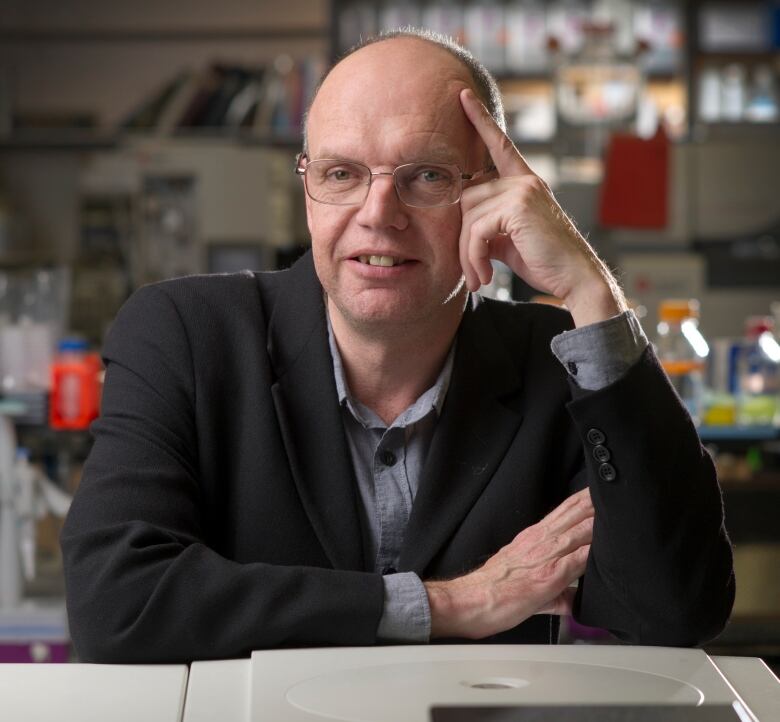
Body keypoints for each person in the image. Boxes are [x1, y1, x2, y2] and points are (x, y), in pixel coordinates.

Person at [61, 30, 734, 664]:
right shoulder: (183, 334)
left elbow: (676, 610)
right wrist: (452, 604)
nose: (379, 213)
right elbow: (114, 602)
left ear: (493, 197)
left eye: (427, 177)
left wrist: (591, 290)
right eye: (342, 174)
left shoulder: (561, 363)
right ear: (307, 191)